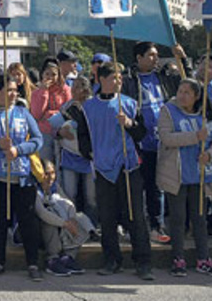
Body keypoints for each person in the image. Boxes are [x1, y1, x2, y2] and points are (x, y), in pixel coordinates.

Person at [77, 62, 153, 280]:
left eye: (120, 78)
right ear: (101, 80)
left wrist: (129, 123)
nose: (118, 82)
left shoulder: (129, 104)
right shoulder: (88, 107)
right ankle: (111, 259)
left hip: (128, 166)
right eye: (113, 78)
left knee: (136, 215)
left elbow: (141, 133)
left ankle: (143, 261)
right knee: (107, 217)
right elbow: (82, 136)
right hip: (103, 168)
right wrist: (90, 153)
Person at [155, 79, 212, 278]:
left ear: (197, 96)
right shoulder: (168, 110)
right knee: (178, 219)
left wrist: (210, 154)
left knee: (200, 218)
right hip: (175, 174)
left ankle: (204, 258)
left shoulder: (206, 114)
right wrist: (195, 136)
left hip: (200, 175)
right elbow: (167, 138)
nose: (182, 95)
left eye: (187, 92)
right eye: (180, 90)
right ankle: (178, 258)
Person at [121, 42, 189, 244]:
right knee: (139, 186)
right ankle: (133, 225)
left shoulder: (164, 76)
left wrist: (182, 59)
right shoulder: (128, 81)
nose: (155, 59)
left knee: (159, 186)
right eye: (150, 55)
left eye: (156, 55)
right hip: (141, 141)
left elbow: (188, 83)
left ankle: (156, 225)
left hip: (165, 141)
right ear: (139, 58)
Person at [0, 75, 43, 281]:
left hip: (23, 177)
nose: (14, 93)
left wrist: (19, 149)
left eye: (16, 90)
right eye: (9, 90)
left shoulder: (23, 113)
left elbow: (38, 140)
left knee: (28, 222)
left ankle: (33, 263)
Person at [49, 76, 98, 227]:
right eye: (73, 86)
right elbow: (53, 127)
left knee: (91, 197)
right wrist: (60, 133)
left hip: (89, 157)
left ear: (85, 89)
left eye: (77, 87)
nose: (73, 90)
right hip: (70, 156)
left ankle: (92, 226)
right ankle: (74, 226)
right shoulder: (67, 107)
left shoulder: (93, 106)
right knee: (70, 195)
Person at [36, 161, 93, 277]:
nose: (50, 177)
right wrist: (65, 224)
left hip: (61, 223)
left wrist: (71, 219)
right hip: (36, 230)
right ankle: (52, 259)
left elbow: (67, 202)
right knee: (49, 221)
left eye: (52, 173)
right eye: (46, 173)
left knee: (80, 219)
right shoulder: (35, 189)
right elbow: (42, 213)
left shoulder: (55, 187)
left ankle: (68, 256)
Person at [30, 61, 71, 164]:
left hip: (61, 131)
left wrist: (53, 114)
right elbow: (37, 114)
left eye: (54, 74)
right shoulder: (36, 93)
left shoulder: (65, 90)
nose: (50, 77)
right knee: (46, 164)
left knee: (60, 164)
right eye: (47, 74)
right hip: (44, 132)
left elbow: (68, 109)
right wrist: (44, 92)